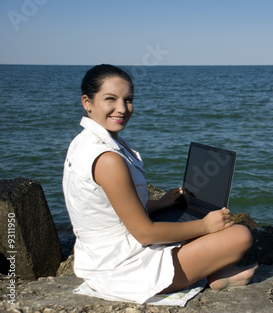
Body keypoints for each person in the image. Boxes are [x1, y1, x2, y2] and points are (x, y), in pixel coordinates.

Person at [63, 64, 256, 304]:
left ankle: (212, 273)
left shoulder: (84, 143)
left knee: (186, 218)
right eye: (110, 99)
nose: (122, 109)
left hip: (101, 256)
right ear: (87, 102)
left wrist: (159, 204)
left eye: (128, 99)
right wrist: (205, 226)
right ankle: (211, 277)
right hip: (121, 268)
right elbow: (145, 233)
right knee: (240, 235)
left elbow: (108, 210)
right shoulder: (108, 159)